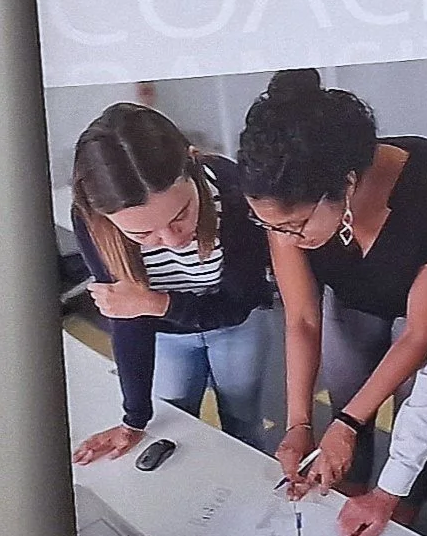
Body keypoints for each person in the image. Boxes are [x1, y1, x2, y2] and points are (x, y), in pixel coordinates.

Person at [236, 70, 427, 536]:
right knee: (343, 405)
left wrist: (353, 425)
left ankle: (401, 524)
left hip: (420, 316)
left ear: (347, 184)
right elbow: (301, 318)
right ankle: (349, 502)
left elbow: (421, 333)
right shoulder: (284, 195)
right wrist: (299, 425)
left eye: (296, 226)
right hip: (352, 306)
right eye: (273, 227)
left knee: (414, 421)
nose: (288, 238)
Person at [69, 103, 275, 461]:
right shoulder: (91, 221)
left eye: (181, 215)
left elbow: (242, 301)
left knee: (243, 421)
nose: (175, 240)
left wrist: (154, 303)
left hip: (237, 326)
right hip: (165, 336)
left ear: (192, 166)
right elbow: (126, 316)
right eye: (143, 232)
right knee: (176, 421)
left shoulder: (231, 186)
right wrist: (133, 419)